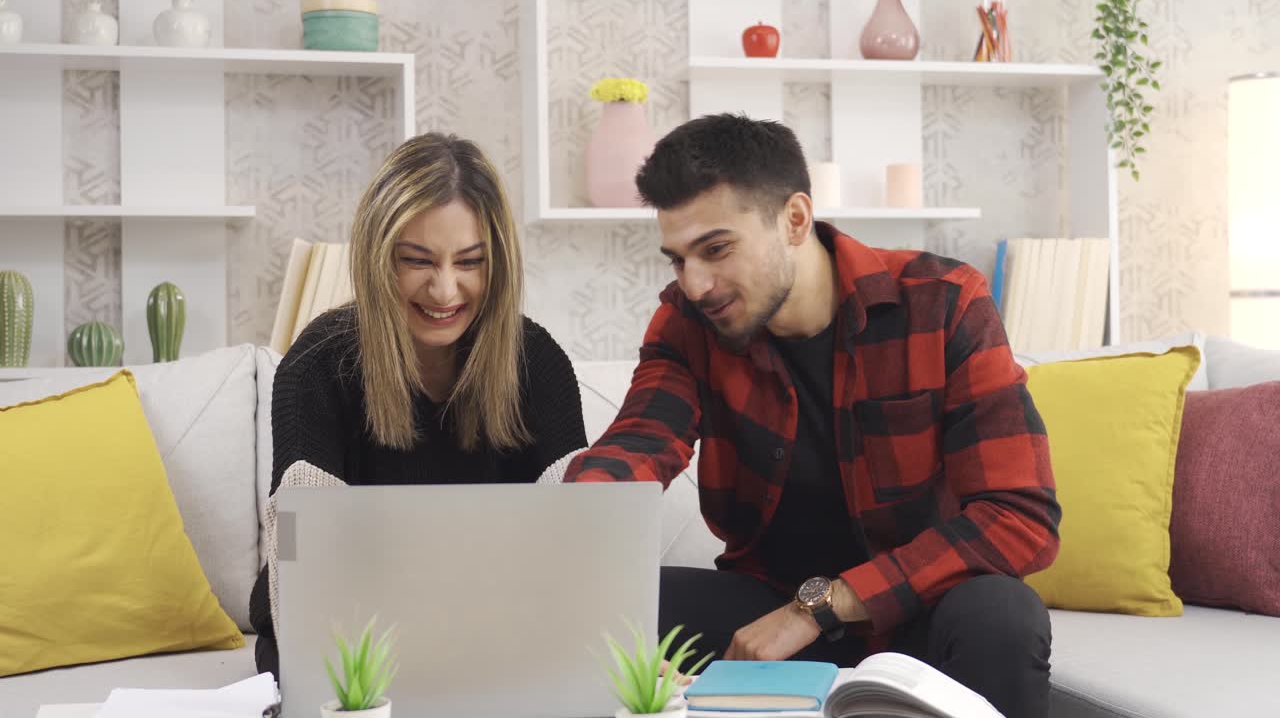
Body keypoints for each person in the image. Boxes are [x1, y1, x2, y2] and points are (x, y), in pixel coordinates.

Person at [564, 114, 1061, 718]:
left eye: (716, 249)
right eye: (677, 259)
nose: (695, 284)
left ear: (795, 219)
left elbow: (1019, 517)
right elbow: (639, 443)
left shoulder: (944, 302)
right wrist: (577, 546)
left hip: (923, 605)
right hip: (764, 603)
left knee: (1004, 617)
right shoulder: (689, 323)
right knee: (624, 611)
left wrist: (816, 609)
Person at [249, 132, 588, 678]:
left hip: (494, 629)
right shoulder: (318, 364)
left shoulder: (536, 360)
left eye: (470, 261)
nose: (445, 290)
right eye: (417, 260)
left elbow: (577, 525)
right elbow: (302, 539)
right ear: (377, 255)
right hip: (348, 634)